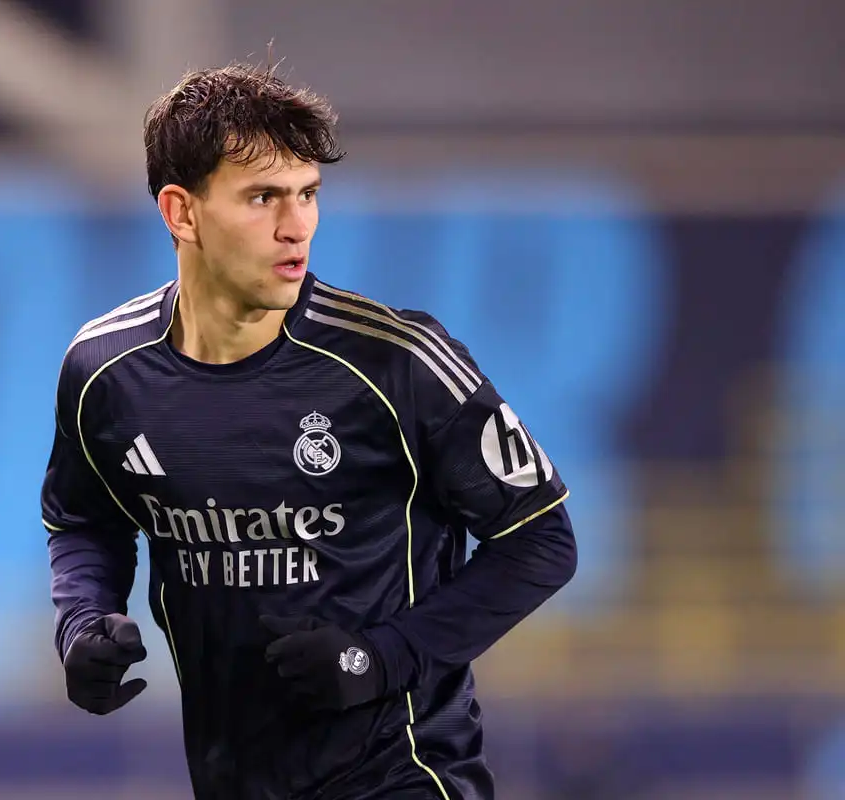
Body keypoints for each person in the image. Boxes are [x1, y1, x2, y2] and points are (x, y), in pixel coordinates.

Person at [43, 61, 578, 800]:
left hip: (404, 775)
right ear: (181, 213)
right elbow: (84, 521)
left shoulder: (397, 362)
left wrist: (382, 658)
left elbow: (541, 540)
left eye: (308, 194)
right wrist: (81, 624)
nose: (296, 226)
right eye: (263, 197)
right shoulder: (106, 371)